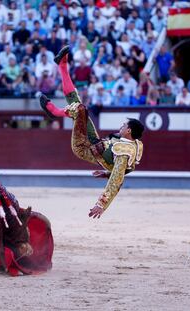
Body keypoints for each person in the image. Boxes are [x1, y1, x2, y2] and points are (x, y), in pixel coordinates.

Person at [39, 46, 144, 219]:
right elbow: (127, 169)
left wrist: (101, 205)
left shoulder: (125, 152)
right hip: (95, 141)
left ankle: (54, 112)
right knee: (77, 102)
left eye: (124, 125)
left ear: (129, 131)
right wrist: (107, 171)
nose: (121, 126)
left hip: (83, 147)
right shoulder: (135, 145)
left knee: (80, 109)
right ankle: (62, 66)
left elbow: (116, 181)